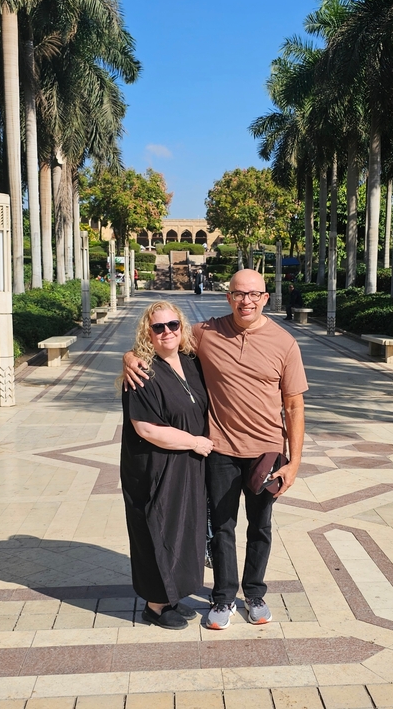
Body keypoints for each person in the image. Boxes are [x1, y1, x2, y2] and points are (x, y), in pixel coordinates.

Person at [124, 269, 308, 631]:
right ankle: (223, 596)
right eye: (239, 294)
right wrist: (129, 357)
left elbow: (294, 406)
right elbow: (163, 339)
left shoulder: (285, 342)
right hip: (221, 450)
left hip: (266, 453)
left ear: (265, 298)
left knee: (260, 527)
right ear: (229, 297)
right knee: (222, 527)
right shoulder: (207, 333)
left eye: (254, 294)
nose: (246, 301)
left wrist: (295, 462)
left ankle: (254, 594)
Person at [120, 301, 213, 630]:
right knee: (157, 531)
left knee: (183, 530)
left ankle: (172, 596)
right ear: (148, 333)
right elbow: (146, 429)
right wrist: (195, 442)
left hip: (187, 465)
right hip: (155, 468)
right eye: (158, 327)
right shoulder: (142, 371)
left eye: (173, 325)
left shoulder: (191, 361)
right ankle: (155, 605)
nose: (167, 332)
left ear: (182, 327)